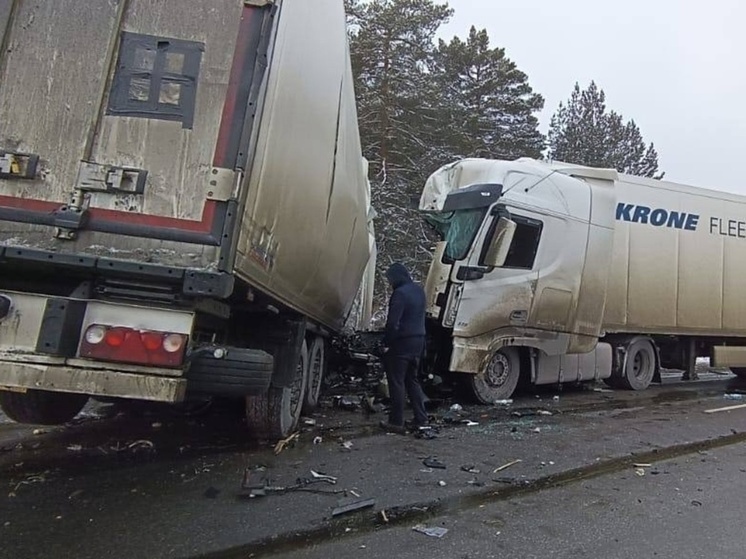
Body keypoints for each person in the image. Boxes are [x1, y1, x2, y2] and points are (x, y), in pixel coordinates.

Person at [379, 262, 429, 434]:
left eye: (391, 279)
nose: (390, 283)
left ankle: (396, 422)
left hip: (402, 343)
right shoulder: (419, 291)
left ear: (397, 277)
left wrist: (386, 343)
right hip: (419, 341)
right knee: (412, 380)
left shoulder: (399, 294)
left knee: (397, 381)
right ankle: (421, 419)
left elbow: (393, 323)